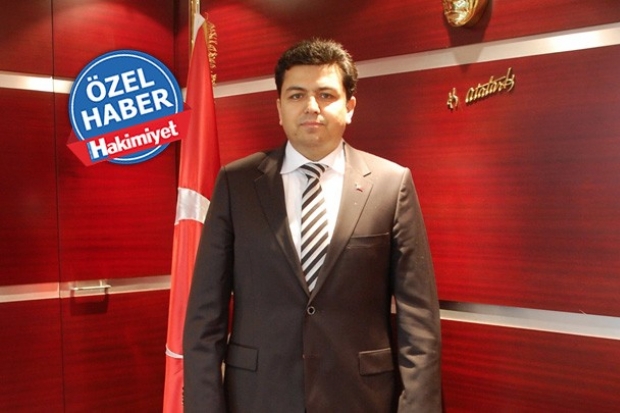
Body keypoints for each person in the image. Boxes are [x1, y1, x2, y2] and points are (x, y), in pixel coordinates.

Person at [183, 38, 442, 413]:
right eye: (296, 95)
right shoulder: (236, 185)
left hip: (360, 399)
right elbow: (205, 317)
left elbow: (419, 323)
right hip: (258, 398)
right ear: (279, 108)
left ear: (349, 107)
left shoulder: (391, 184)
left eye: (326, 95)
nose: (311, 107)